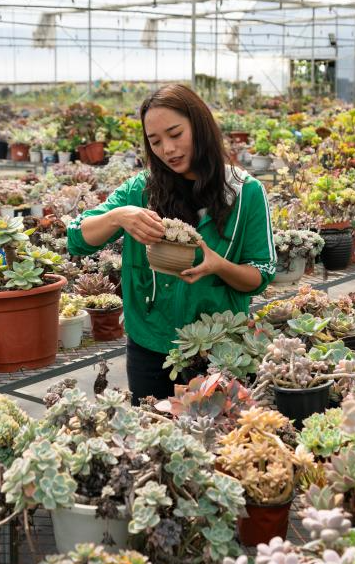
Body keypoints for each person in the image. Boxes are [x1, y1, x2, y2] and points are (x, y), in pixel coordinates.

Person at [66, 84, 276, 405]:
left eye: (176, 134)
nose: (168, 149)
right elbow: (77, 239)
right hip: (150, 348)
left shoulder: (245, 192)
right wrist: (119, 216)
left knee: (216, 431)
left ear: (199, 126)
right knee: (153, 428)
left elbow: (260, 275)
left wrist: (218, 266)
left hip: (220, 350)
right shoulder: (142, 190)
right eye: (155, 141)